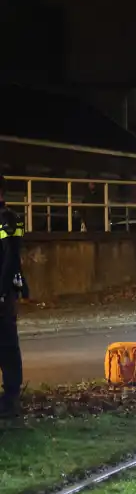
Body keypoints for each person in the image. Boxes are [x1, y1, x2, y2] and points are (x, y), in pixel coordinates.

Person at [0, 174, 25, 417]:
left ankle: (11, 399)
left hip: (3, 295)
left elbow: (10, 259)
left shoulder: (7, 219)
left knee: (7, 345)